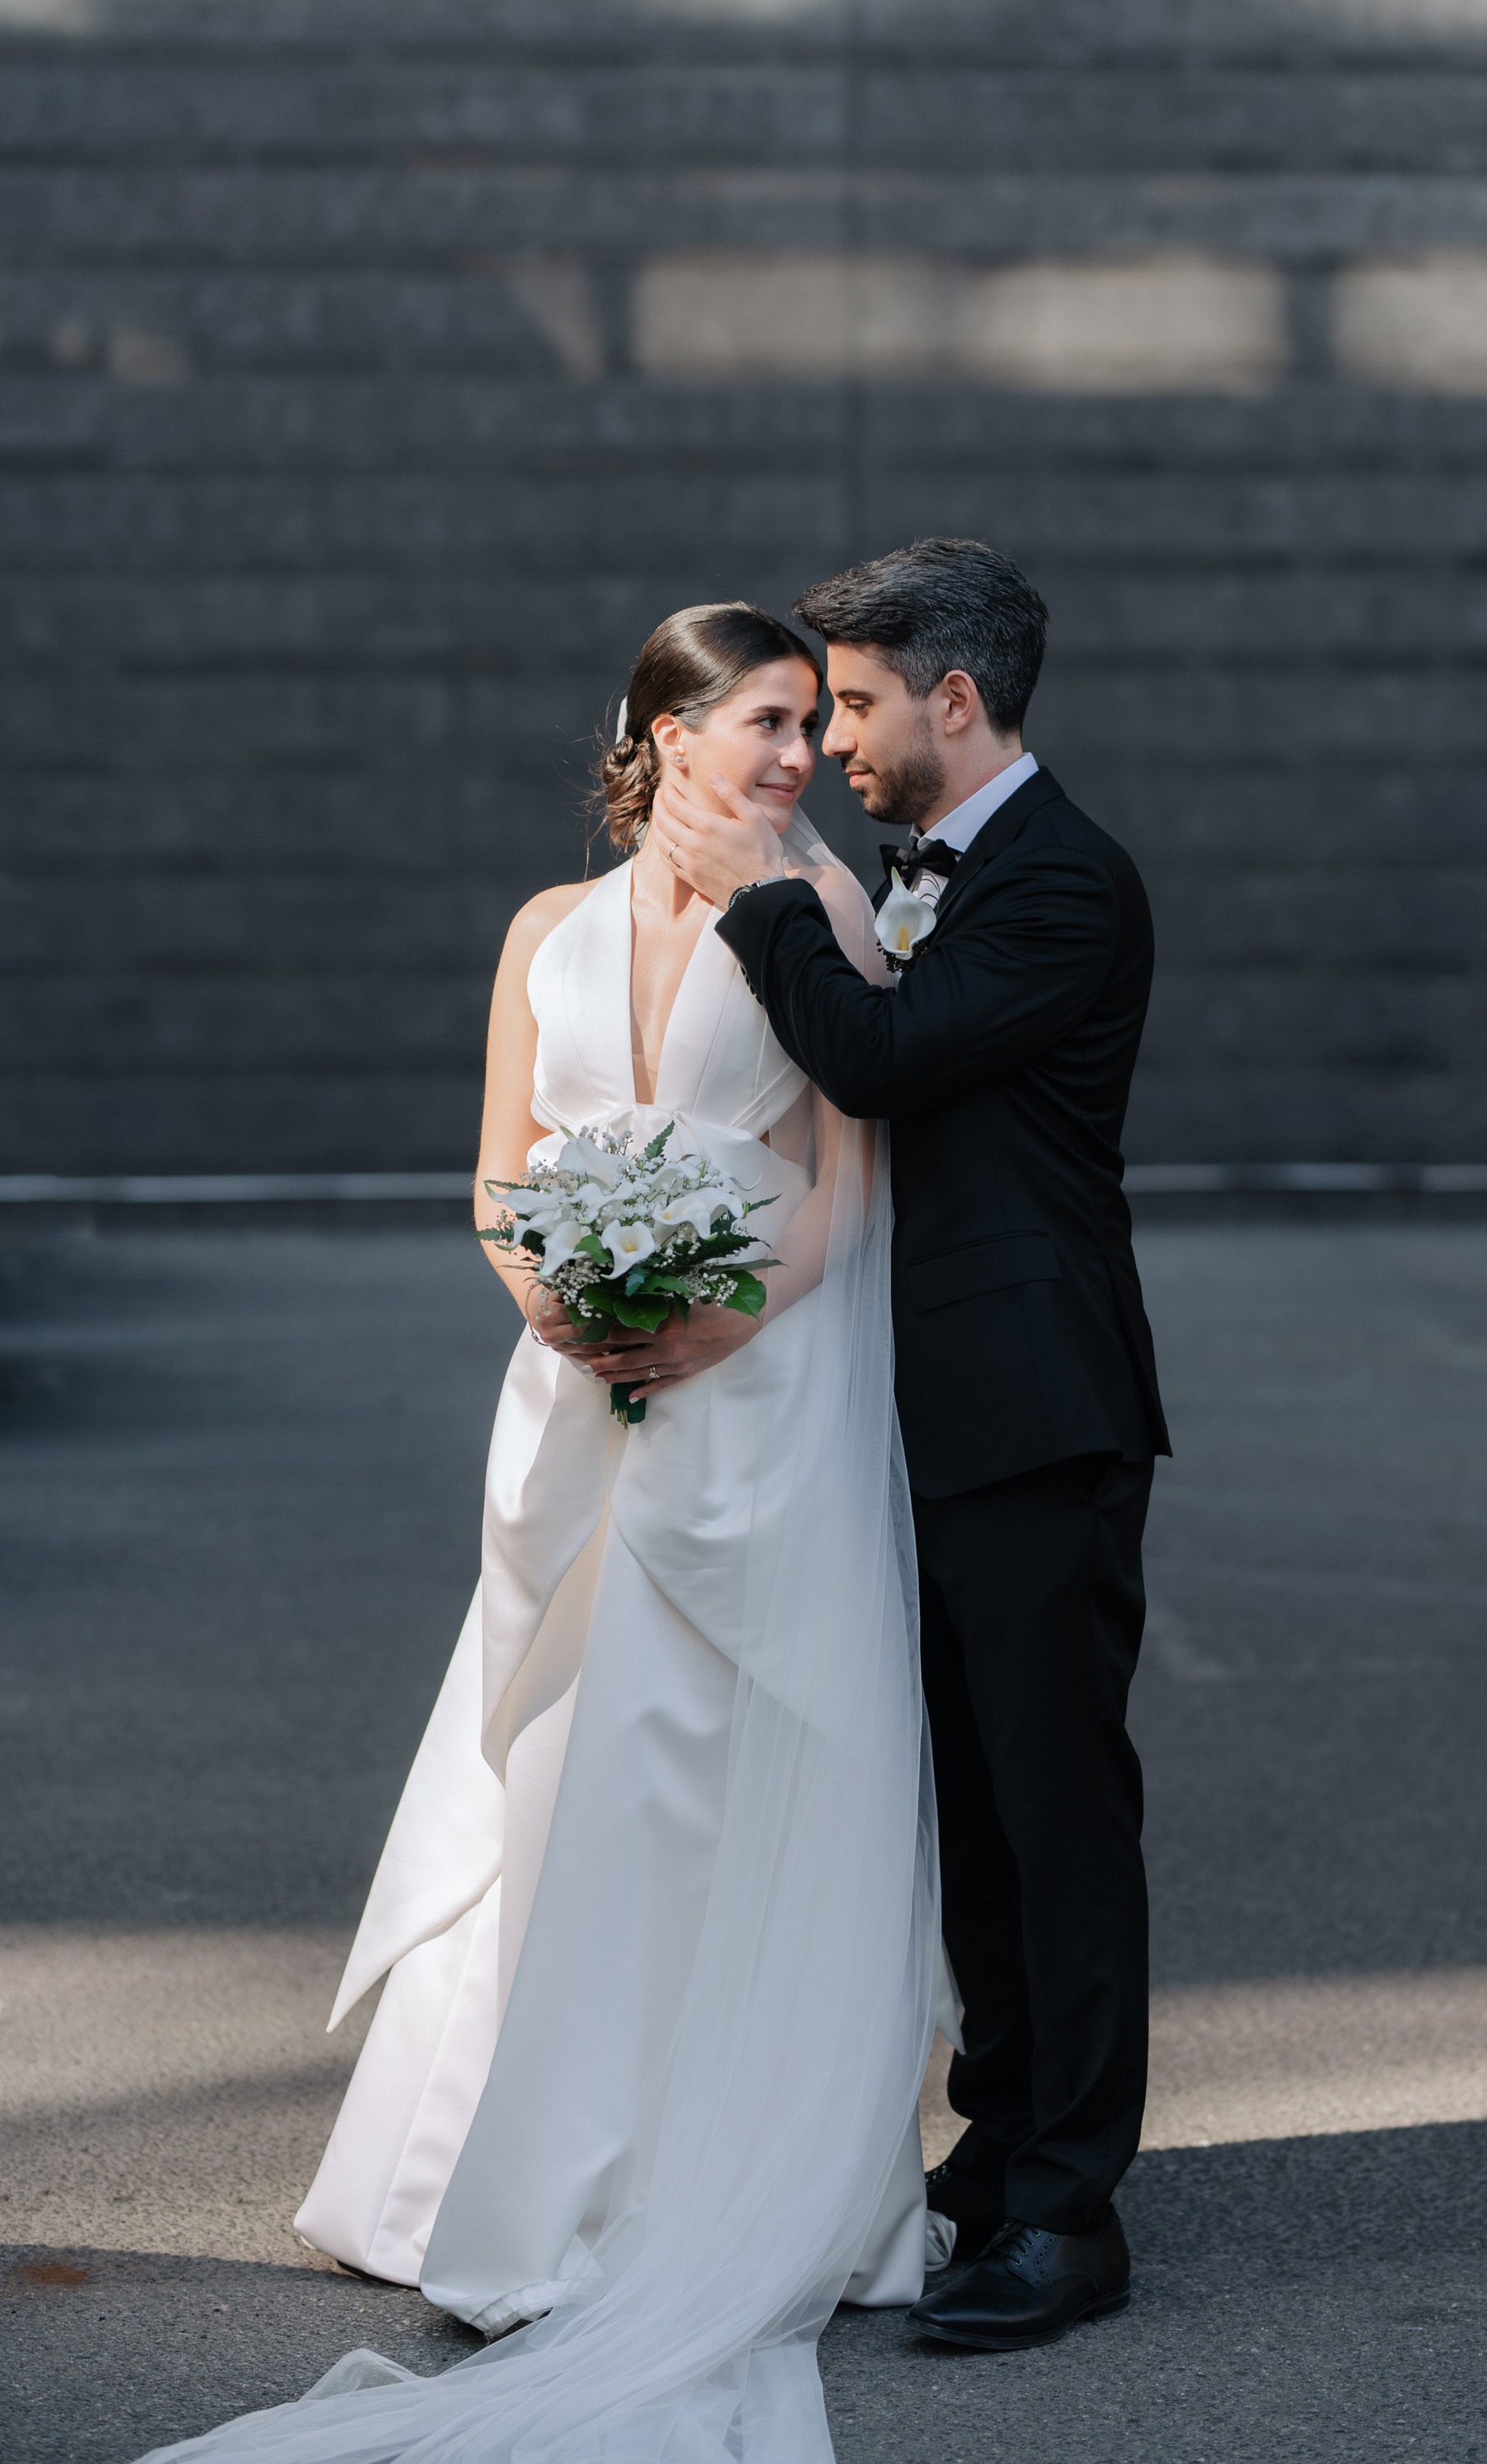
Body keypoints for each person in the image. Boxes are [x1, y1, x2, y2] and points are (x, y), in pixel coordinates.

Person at [136, 604, 941, 2464]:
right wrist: (547, 1294)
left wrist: (720, 1316)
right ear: (662, 730)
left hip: (757, 1384)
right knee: (554, 1762)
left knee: (703, 1757)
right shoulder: (539, 934)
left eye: (813, 726)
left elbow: (840, 1187)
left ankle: (700, 2171)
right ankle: (481, 2165)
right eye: (762, 721)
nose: (795, 756)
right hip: (574, 1389)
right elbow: (502, 1169)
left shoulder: (822, 914)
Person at [652, 536, 1171, 2355]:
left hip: (1032, 1409)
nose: (835, 742)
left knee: (1053, 1812)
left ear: (958, 701)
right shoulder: (926, 863)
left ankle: (1069, 2210)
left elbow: (884, 1059)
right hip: (914, 1409)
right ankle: (997, 2143)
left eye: (859, 703)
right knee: (968, 1817)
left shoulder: (1062, 885)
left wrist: (760, 899)